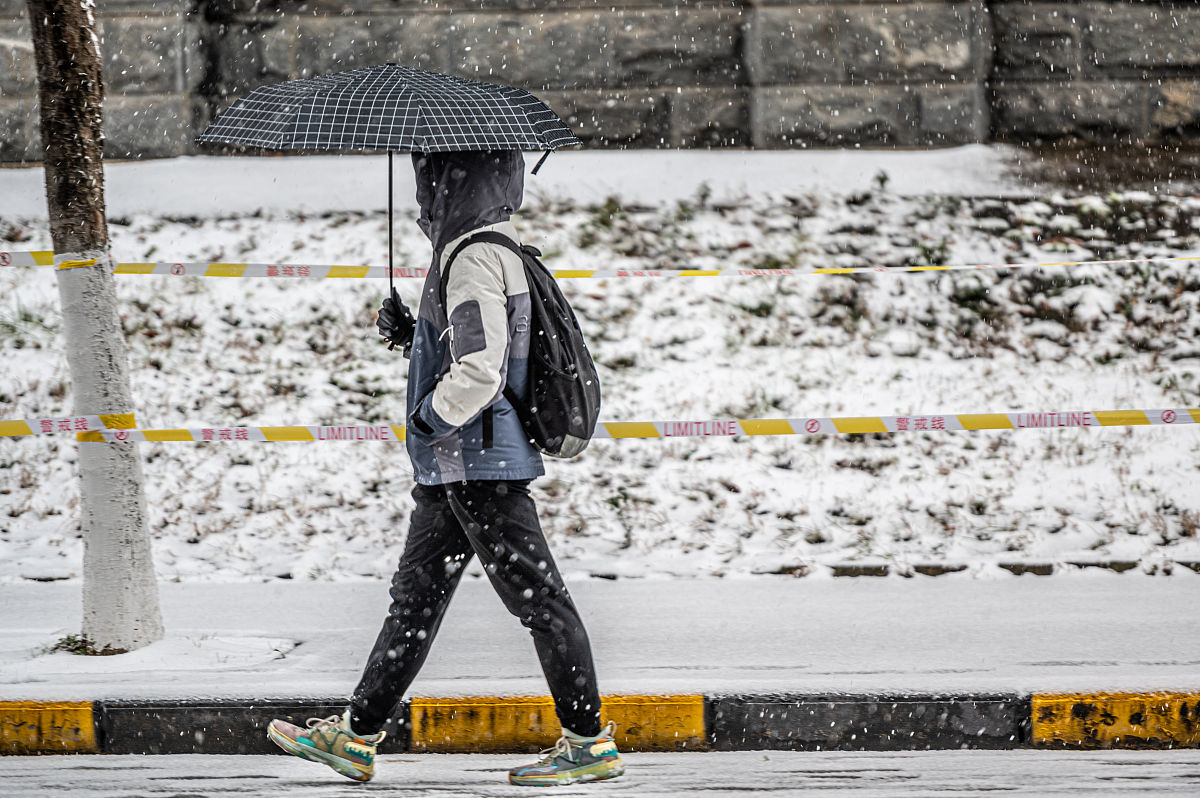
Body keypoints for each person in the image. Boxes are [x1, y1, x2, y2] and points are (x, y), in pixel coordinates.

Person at [266, 150, 624, 787]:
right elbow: (484, 346)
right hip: (459, 466)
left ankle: (589, 742)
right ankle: (356, 735)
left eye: (429, 178)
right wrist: (415, 336)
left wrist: (429, 418)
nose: (423, 196)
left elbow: (482, 369)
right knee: (415, 604)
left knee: (540, 601)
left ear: (455, 181)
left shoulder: (472, 257)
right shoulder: (492, 247)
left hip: (476, 461)